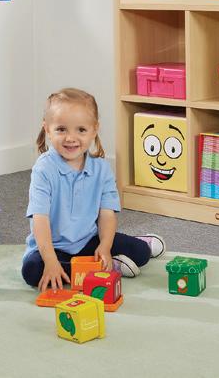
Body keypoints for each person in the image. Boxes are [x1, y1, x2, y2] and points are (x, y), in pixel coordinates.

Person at [22, 88, 165, 292]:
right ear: (47, 129)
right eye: (61, 129)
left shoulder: (101, 169)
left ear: (94, 129)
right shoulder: (43, 169)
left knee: (141, 253)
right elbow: (40, 219)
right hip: (53, 248)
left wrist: (105, 246)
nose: (70, 138)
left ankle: (105, 260)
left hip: (89, 240)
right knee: (32, 270)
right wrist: (51, 261)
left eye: (81, 130)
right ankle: (104, 267)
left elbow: (107, 214)